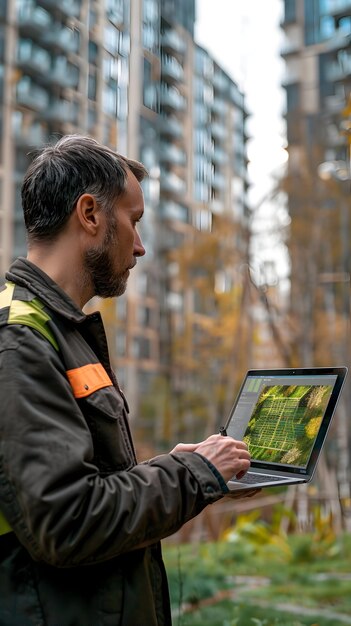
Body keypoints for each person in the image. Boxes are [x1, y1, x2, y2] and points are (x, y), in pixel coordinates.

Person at [0, 135, 252, 626]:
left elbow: (91, 481)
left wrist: (186, 465)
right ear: (90, 214)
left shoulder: (59, 331)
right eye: (133, 222)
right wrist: (193, 476)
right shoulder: (20, 342)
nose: (140, 245)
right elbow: (67, 519)